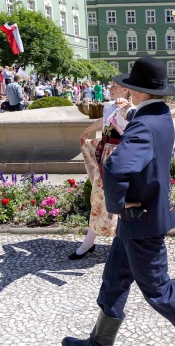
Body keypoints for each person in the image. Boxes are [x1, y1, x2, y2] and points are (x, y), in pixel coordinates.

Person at [62, 57, 175, 346]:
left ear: (138, 91)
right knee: (114, 279)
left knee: (159, 291)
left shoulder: (144, 124)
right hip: (140, 219)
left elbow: (116, 168)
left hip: (141, 220)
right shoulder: (161, 116)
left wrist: (118, 202)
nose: (127, 91)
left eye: (130, 87)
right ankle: (99, 342)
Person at [69, 84, 134, 260]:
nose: (111, 88)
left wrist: (124, 110)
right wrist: (86, 131)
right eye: (111, 86)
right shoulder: (108, 105)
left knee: (120, 199)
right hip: (106, 153)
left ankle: (120, 243)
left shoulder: (132, 108)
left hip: (119, 155)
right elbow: (104, 122)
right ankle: (89, 241)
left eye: (115, 86)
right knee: (98, 196)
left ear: (126, 90)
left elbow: (130, 129)